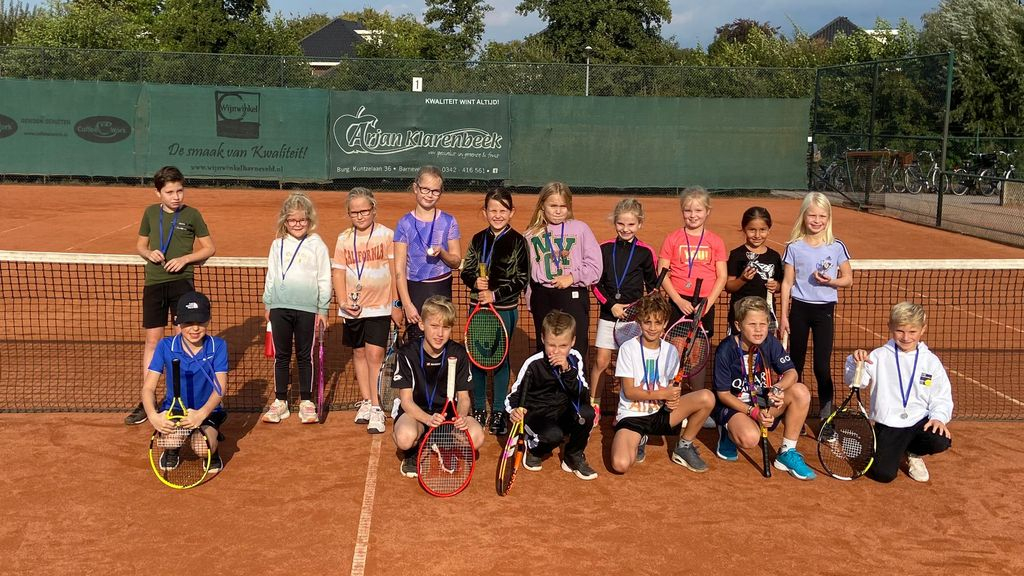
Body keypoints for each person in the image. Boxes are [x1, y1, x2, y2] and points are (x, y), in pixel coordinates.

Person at [127, 166, 216, 425]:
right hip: (154, 283)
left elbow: (209, 248)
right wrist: (149, 253)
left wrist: (186, 258)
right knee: (153, 341)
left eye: (179, 190)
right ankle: (149, 400)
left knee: (183, 341)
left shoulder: (193, 215)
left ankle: (182, 397)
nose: (176, 196)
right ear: (158, 193)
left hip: (182, 284)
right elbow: (140, 245)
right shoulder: (149, 213)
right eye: (169, 192)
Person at [846, 302, 953, 483]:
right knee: (883, 475)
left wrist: (939, 417)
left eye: (912, 332)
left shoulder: (931, 361)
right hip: (889, 424)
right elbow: (857, 382)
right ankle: (891, 448)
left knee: (940, 439)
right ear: (890, 327)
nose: (906, 337)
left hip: (919, 421)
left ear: (923, 330)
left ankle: (913, 452)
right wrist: (854, 362)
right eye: (900, 331)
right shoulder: (878, 356)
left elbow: (941, 396)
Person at [712, 296, 816, 480]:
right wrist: (752, 412)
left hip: (761, 400)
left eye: (763, 324)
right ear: (738, 325)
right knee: (750, 438)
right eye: (752, 324)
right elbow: (723, 394)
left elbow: (791, 372)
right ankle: (728, 431)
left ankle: (787, 452)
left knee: (800, 391)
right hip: (734, 405)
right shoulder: (726, 350)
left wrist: (777, 388)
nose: (759, 330)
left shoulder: (770, 343)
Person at [610, 293, 714, 474]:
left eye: (658, 323)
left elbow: (673, 387)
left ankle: (683, 446)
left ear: (665, 323)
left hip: (661, 413)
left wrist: (673, 399)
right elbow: (629, 392)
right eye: (647, 322)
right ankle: (639, 438)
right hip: (632, 416)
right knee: (620, 464)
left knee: (707, 397)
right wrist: (663, 394)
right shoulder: (628, 348)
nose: (652, 328)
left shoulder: (671, 350)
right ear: (640, 322)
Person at [333, 188, 404, 433]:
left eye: (364, 211)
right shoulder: (343, 239)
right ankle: (365, 400)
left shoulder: (386, 235)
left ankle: (376, 407)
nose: (360, 216)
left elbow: (396, 271)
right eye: (354, 212)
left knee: (375, 355)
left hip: (380, 307)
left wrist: (396, 304)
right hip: (352, 308)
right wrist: (342, 301)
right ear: (349, 214)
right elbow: (339, 272)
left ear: (373, 209)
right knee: (359, 353)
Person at [779, 192, 853, 425]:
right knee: (795, 364)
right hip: (799, 310)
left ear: (828, 218)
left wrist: (830, 282)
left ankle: (826, 418)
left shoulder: (836, 246)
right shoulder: (794, 247)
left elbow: (848, 279)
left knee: (822, 366)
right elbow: (787, 283)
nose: (817, 220)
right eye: (812, 215)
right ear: (804, 216)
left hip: (824, 312)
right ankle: (793, 413)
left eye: (822, 216)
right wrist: (783, 316)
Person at [459, 188, 529, 435]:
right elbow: (466, 270)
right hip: (478, 309)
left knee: (500, 359)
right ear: (485, 211)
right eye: (493, 210)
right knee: (477, 358)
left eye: (503, 210)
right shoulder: (478, 239)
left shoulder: (519, 241)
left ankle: (499, 410)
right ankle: (479, 408)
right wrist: (474, 282)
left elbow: (522, 278)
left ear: (511, 212)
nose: (497, 215)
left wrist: (495, 294)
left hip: (504, 309)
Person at [391, 296, 485, 478]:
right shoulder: (407, 353)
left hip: (447, 416)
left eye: (446, 327)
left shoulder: (458, 353)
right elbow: (407, 401)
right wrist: (427, 420)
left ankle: (443, 440)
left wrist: (461, 417)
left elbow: (464, 398)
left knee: (477, 437)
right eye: (434, 326)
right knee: (405, 438)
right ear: (422, 325)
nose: (440, 333)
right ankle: (413, 450)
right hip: (417, 415)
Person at [261, 193, 332, 425]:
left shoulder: (317, 244)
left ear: (309, 220)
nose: (297, 224)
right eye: (292, 220)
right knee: (281, 356)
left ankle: (306, 402)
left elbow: (324, 278)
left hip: (307, 309)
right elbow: (271, 275)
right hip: (280, 307)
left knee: (304, 356)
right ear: (285, 221)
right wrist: (268, 303)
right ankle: (280, 401)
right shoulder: (277, 244)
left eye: (302, 220)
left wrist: (323, 309)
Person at [658, 186, 726, 427]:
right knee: (674, 351)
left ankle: (698, 406)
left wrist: (707, 304)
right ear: (682, 211)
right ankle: (668, 403)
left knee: (697, 354)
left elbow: (722, 277)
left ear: (707, 211)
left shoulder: (715, 241)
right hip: (679, 301)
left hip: (703, 304)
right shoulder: (673, 238)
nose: (693, 215)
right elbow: (662, 272)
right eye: (688, 210)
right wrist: (677, 300)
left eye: (698, 210)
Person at [505, 310, 598, 480]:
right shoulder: (533, 364)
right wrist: (513, 411)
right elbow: (512, 398)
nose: (556, 351)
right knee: (552, 435)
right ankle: (533, 448)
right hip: (537, 414)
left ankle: (573, 456)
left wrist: (568, 371)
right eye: (551, 345)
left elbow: (582, 394)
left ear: (573, 342)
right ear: (542, 339)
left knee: (587, 413)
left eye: (563, 346)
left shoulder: (575, 358)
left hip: (562, 411)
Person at [141, 291, 227, 473]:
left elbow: (220, 389)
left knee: (203, 448)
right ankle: (173, 449)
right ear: (178, 322)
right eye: (188, 323)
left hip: (207, 411)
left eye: (200, 322)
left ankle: (213, 447)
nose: (195, 329)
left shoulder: (218, 346)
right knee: (167, 441)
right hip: (176, 409)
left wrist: (201, 414)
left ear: (208, 320)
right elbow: (148, 388)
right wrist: (153, 416)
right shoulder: (166, 346)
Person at [590, 199, 658, 421]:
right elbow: (595, 284)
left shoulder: (646, 252)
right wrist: (612, 305)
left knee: (632, 362)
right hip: (609, 314)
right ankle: (594, 405)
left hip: (633, 319)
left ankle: (630, 405)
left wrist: (637, 308)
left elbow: (653, 288)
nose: (625, 229)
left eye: (631, 225)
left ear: (639, 224)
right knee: (601, 360)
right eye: (621, 224)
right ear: (615, 222)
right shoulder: (603, 249)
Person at [524, 182, 602, 366]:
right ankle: (548, 392)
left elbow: (595, 266)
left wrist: (572, 278)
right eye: (553, 206)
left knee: (576, 348)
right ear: (542, 205)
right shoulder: (530, 235)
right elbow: (528, 273)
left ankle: (576, 390)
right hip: (542, 297)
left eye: (563, 206)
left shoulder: (580, 229)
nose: (558, 211)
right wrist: (530, 300)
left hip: (572, 295)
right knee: (547, 349)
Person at [394, 166, 462, 339]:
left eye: (435, 191)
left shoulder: (449, 221)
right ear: (416, 188)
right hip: (415, 291)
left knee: (439, 338)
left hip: (441, 289)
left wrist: (442, 253)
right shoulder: (404, 224)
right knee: (417, 343)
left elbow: (455, 261)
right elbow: (399, 270)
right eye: (425, 189)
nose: (429, 194)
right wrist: (407, 305)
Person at [724, 206, 783, 334]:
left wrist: (777, 286)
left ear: (769, 230)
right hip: (740, 315)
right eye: (752, 230)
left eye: (762, 230)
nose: (757, 235)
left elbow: (782, 285)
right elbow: (729, 286)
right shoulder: (736, 255)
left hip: (765, 315)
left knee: (764, 352)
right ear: (744, 228)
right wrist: (742, 279)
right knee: (740, 350)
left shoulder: (774, 256)